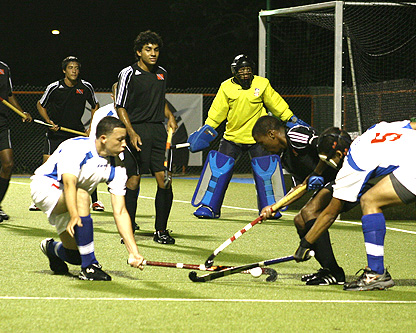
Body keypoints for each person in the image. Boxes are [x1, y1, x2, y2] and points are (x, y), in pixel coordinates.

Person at [293, 120, 416, 291]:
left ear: (340, 153)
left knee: (370, 200)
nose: (329, 165)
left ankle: (375, 273)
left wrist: (305, 244)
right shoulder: (375, 130)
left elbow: (329, 214)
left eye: (328, 160)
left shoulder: (352, 163)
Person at [188, 54, 307, 219]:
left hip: (259, 139)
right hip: (232, 137)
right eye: (241, 70)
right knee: (218, 170)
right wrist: (206, 130)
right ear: (234, 71)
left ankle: (271, 208)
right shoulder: (226, 87)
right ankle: (209, 207)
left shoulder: (262, 84)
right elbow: (216, 113)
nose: (245, 73)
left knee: (266, 173)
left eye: (248, 69)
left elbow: (276, 103)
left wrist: (292, 119)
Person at [32, 116, 145, 281]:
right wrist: (75, 214)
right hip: (46, 187)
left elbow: (120, 211)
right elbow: (69, 183)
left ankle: (51, 248)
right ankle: (89, 267)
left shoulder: (118, 166)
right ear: (103, 139)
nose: (124, 144)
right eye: (120, 139)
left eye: (125, 139)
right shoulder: (77, 148)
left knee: (75, 256)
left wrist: (133, 252)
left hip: (73, 198)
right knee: (83, 194)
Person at [253, 115, 351, 285]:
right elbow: (301, 187)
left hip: (343, 175)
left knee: (309, 211)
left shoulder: (296, 135)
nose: (264, 148)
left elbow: (327, 147)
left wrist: (317, 173)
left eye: (262, 143)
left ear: (271, 134)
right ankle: (329, 270)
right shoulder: (286, 158)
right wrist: (275, 207)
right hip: (327, 184)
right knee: (300, 220)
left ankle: (336, 274)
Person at [115, 30, 178, 244]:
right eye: (148, 50)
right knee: (133, 180)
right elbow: (120, 106)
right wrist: (131, 132)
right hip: (136, 131)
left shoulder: (162, 73)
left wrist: (169, 117)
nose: (153, 54)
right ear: (138, 52)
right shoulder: (128, 73)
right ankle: (129, 228)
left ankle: (160, 231)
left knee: (165, 181)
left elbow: (161, 101)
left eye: (156, 50)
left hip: (158, 132)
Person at [31, 56, 102, 211]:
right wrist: (49, 122)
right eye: (70, 68)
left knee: (85, 165)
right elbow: (40, 104)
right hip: (56, 133)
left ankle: (95, 201)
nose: (74, 71)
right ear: (64, 70)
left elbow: (95, 105)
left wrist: (91, 127)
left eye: (76, 68)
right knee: (47, 166)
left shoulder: (85, 87)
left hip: (76, 132)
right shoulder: (54, 87)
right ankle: (39, 200)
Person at [88, 83, 140, 231]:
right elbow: (93, 138)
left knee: (133, 181)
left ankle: (130, 221)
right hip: (106, 157)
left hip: (126, 156)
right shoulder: (102, 112)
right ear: (112, 96)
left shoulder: (135, 112)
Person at [0, 61, 33, 221]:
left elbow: (9, 94)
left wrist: (21, 112)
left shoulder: (4, 68)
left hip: (2, 123)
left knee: (8, 164)